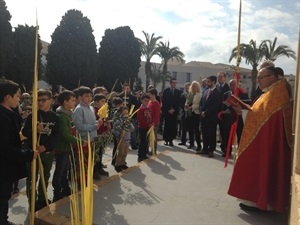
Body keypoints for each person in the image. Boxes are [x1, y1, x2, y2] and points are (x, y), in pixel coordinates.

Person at [228, 66, 293, 213]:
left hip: (268, 139)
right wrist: (244, 109)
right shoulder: (272, 91)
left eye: (261, 77)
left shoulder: (276, 93)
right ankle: (256, 200)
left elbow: (263, 117)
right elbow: (261, 113)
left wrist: (244, 111)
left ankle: (264, 202)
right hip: (264, 136)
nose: (258, 81)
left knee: (264, 165)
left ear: (272, 77)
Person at [0, 80, 38, 225]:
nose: (19, 99)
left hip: (7, 165)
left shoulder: (9, 114)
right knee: (2, 196)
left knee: (4, 196)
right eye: (17, 96)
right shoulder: (3, 117)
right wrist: (27, 154)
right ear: (7, 97)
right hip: (3, 166)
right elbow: (4, 147)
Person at [22, 89, 60, 211]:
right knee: (32, 177)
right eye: (38, 100)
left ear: (51, 101)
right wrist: (35, 130)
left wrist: (46, 147)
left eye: (44, 100)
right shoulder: (32, 116)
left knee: (45, 175)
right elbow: (24, 132)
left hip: (47, 152)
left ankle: (42, 199)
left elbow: (57, 136)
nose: (40, 103)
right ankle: (32, 202)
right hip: (33, 152)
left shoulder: (55, 117)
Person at [52, 90, 80, 202]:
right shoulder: (62, 116)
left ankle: (65, 189)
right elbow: (64, 135)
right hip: (62, 148)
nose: (75, 102)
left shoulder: (68, 114)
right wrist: (80, 141)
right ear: (65, 102)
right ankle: (57, 192)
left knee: (65, 170)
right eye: (72, 100)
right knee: (59, 171)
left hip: (67, 147)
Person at [72, 86, 103, 180]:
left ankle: (89, 177)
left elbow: (91, 123)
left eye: (90, 96)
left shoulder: (91, 108)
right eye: (86, 96)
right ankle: (81, 180)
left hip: (92, 137)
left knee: (90, 160)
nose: (89, 98)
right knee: (82, 162)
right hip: (84, 139)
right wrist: (94, 126)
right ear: (80, 97)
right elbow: (79, 126)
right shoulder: (79, 109)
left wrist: (98, 123)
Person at [219, 79, 249, 157]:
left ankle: (240, 152)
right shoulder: (226, 94)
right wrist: (225, 111)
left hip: (239, 117)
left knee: (240, 135)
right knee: (227, 135)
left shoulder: (242, 93)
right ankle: (227, 151)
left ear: (237, 85)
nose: (232, 86)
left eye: (234, 84)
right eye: (231, 85)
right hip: (229, 117)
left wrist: (238, 102)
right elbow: (223, 106)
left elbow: (246, 103)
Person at [198, 76, 223, 158]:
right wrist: (201, 111)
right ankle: (205, 148)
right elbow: (201, 103)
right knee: (204, 133)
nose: (207, 83)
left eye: (208, 81)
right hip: (203, 117)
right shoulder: (205, 91)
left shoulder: (218, 93)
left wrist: (206, 112)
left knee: (211, 134)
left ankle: (211, 150)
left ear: (213, 82)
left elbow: (216, 106)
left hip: (212, 117)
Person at [112, 106, 134, 172]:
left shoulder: (128, 121)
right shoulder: (118, 121)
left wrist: (129, 125)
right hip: (121, 139)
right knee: (120, 153)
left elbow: (133, 129)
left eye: (127, 113)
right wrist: (119, 134)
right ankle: (117, 164)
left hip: (127, 138)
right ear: (120, 113)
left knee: (125, 152)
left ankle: (123, 163)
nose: (125, 115)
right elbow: (114, 130)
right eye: (124, 113)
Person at [93, 93, 110, 176]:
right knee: (95, 154)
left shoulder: (104, 110)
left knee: (100, 152)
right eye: (102, 101)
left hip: (103, 134)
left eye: (105, 101)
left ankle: (99, 168)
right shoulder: (94, 111)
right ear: (96, 102)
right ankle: (94, 170)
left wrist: (108, 123)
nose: (104, 103)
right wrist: (103, 124)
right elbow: (95, 123)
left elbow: (105, 119)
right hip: (97, 135)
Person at [118, 83, 140, 150]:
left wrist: (132, 114)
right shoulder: (119, 97)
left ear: (129, 89)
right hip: (121, 117)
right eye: (125, 88)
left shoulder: (133, 97)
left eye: (127, 89)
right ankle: (120, 145)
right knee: (120, 131)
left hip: (131, 116)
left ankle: (133, 144)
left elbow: (136, 107)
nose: (126, 90)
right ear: (122, 89)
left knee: (132, 131)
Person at [161, 78, 181, 146]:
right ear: (170, 83)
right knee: (167, 125)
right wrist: (168, 109)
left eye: (175, 83)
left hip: (174, 112)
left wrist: (174, 109)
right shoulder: (166, 91)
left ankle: (171, 140)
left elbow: (178, 102)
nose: (174, 84)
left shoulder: (178, 92)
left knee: (173, 126)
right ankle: (166, 139)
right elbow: (164, 101)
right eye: (173, 83)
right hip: (167, 111)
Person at [185, 81, 202, 152]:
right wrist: (185, 106)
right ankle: (191, 143)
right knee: (190, 129)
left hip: (196, 113)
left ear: (198, 87)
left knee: (196, 130)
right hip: (189, 113)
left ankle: (199, 145)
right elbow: (186, 102)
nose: (194, 87)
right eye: (193, 86)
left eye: (195, 86)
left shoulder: (200, 95)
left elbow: (200, 105)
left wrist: (192, 107)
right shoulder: (190, 94)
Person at [137, 94, 152, 161]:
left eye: (148, 101)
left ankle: (144, 154)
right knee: (142, 142)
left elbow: (149, 117)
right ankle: (140, 155)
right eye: (145, 101)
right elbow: (140, 120)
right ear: (141, 101)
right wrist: (147, 124)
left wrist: (151, 123)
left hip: (148, 127)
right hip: (142, 127)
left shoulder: (148, 108)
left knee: (146, 142)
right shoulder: (141, 109)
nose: (146, 102)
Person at [148, 88, 161, 155]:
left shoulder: (157, 103)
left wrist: (153, 123)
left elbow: (157, 115)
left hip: (154, 123)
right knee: (149, 137)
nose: (148, 95)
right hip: (149, 122)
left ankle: (154, 150)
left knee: (154, 137)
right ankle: (149, 149)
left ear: (153, 95)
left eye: (149, 94)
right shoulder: (149, 102)